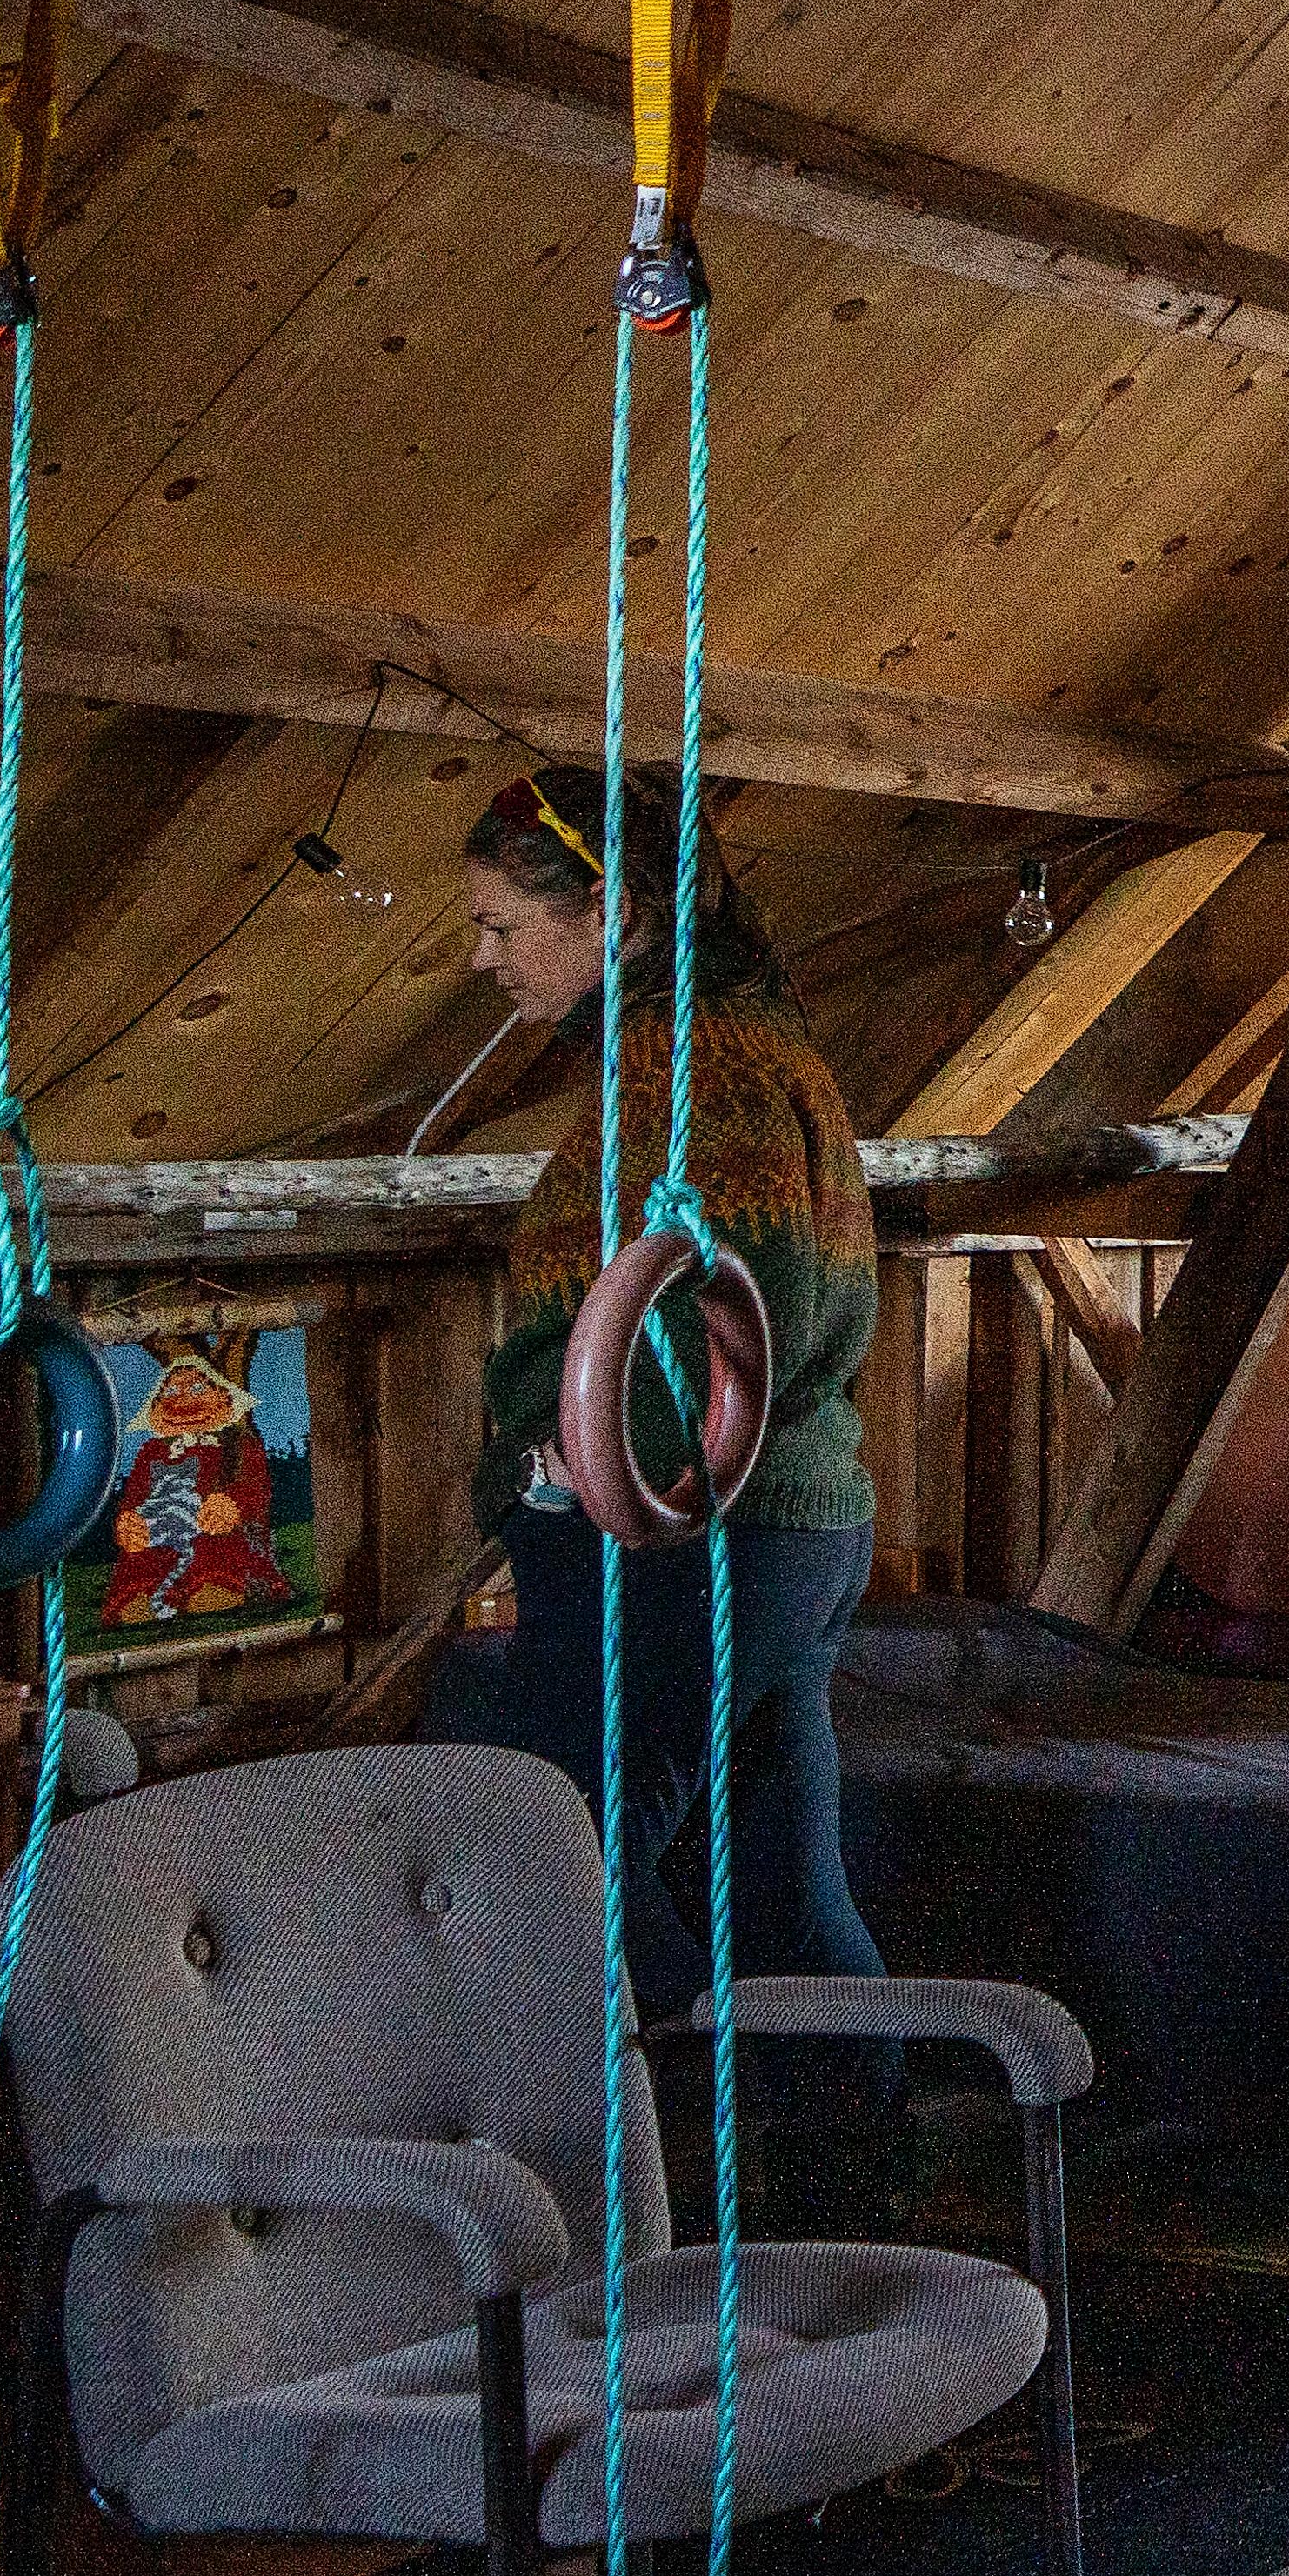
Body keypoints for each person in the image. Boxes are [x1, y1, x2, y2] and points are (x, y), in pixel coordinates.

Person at [459, 765, 901, 2220]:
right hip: (781, 1529)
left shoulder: (687, 1070)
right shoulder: (735, 1046)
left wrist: (561, 1465)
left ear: (616, 914)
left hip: (685, 1532)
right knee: (777, 1891)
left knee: (558, 1871)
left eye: (502, 923)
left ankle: (662, 2215)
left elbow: (724, 1310)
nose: (482, 958)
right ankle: (850, 2226)